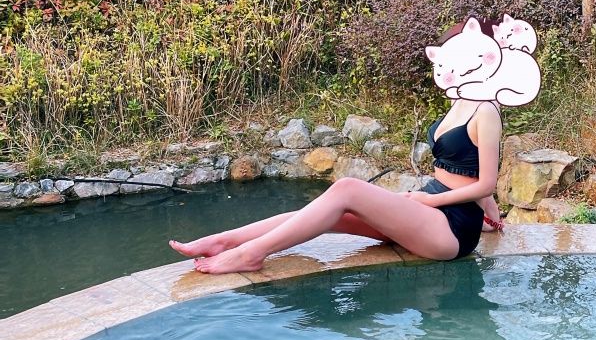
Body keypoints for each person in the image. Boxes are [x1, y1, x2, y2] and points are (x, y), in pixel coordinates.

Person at [168, 94, 503, 275]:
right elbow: (465, 165)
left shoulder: (487, 109)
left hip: (452, 229)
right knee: (328, 214)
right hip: (431, 207)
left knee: (347, 189)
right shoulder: (460, 99)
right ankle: (226, 241)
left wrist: (430, 203)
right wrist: (488, 215)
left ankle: (251, 254)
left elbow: (486, 183)